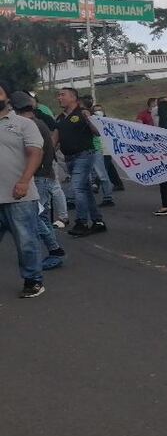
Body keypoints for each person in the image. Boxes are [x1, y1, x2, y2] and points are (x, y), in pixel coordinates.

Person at [0, 82, 47, 297]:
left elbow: (35, 153)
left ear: (7, 97)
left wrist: (24, 181)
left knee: (26, 242)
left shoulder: (23, 124)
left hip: (19, 195)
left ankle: (33, 281)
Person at [13, 91, 66, 272]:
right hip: (43, 175)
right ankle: (53, 251)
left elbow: (38, 153)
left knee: (34, 217)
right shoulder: (37, 123)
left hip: (40, 177)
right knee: (41, 216)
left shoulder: (29, 125)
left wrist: (29, 176)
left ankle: (55, 250)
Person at [55, 88, 106, 237]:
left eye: (62, 95)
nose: (59, 98)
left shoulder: (83, 113)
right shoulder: (60, 118)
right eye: (58, 95)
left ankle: (81, 222)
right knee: (85, 190)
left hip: (84, 155)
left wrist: (89, 118)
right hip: (69, 158)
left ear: (73, 98)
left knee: (77, 188)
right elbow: (55, 140)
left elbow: (97, 132)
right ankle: (98, 221)